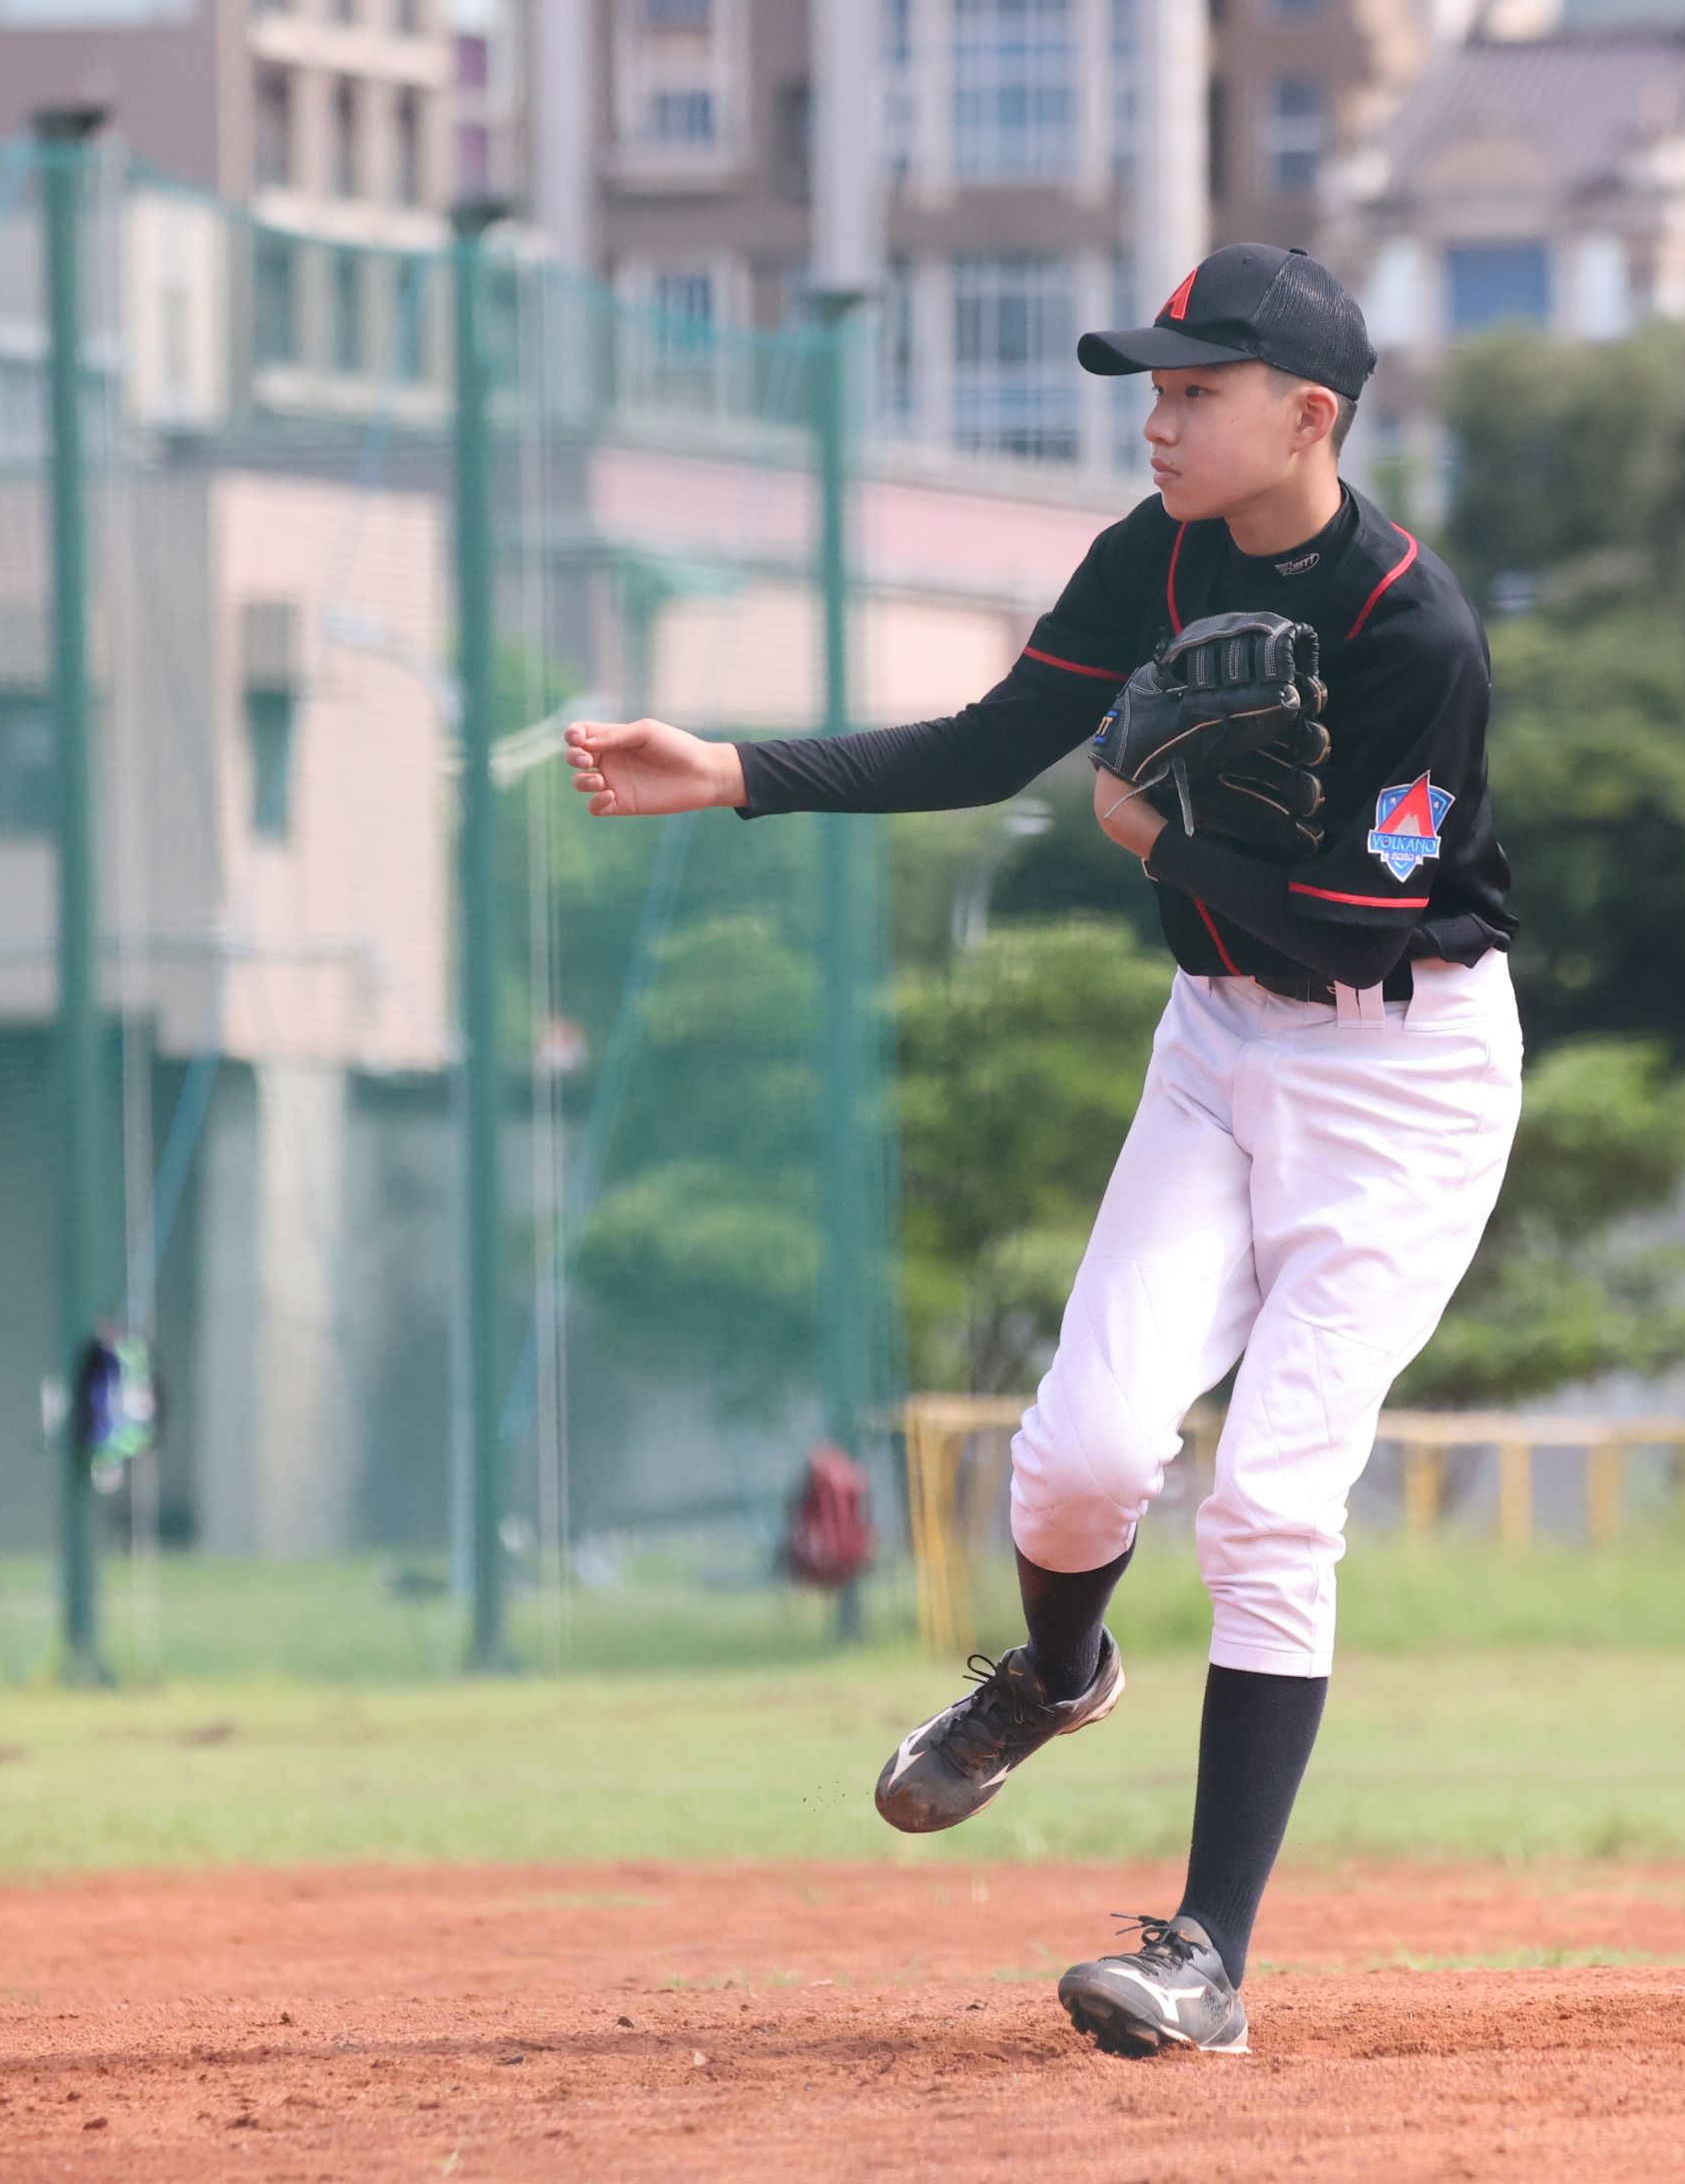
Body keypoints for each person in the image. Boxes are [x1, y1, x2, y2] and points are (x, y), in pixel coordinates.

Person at [563, 244, 1518, 2059]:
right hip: (1214, 1046)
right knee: (1075, 1463)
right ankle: (1056, 1677)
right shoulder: (1150, 553)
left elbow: (1351, 926)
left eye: (1195, 391)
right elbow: (995, 740)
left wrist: (1157, 841)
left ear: (1307, 417)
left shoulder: (1413, 630)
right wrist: (733, 772)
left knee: (1268, 1506)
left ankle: (1205, 1961)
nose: (1157, 421)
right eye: (1151, 389)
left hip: (1399, 1079)